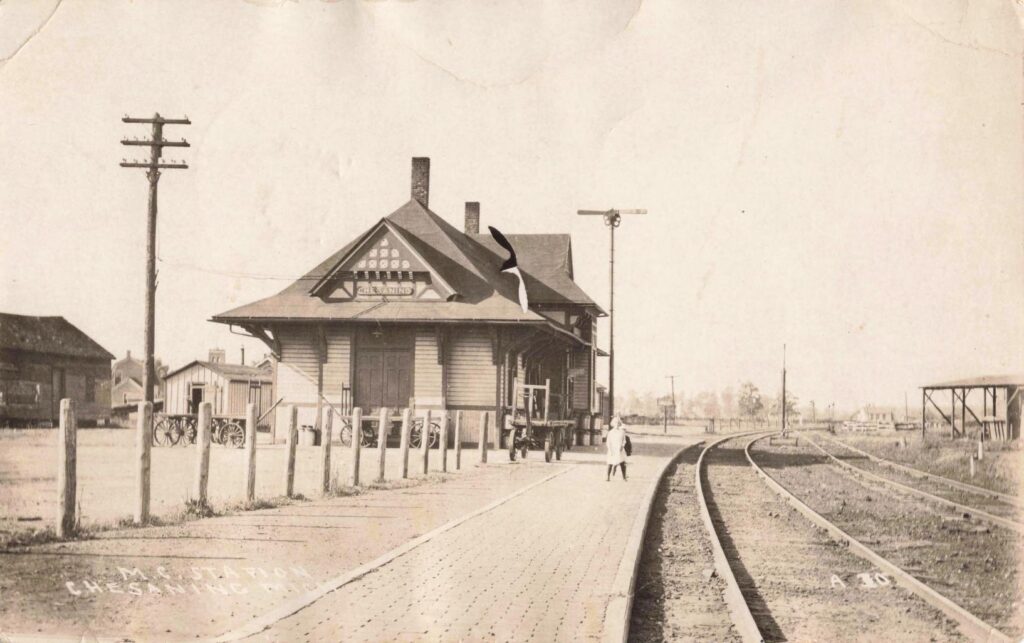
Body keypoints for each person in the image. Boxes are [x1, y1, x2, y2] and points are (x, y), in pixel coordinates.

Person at [606, 416, 628, 481]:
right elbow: (608, 442)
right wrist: (610, 449)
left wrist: (622, 446)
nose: (617, 424)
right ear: (613, 424)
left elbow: (624, 440)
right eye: (616, 423)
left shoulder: (622, 432)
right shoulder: (611, 432)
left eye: (618, 423)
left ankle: (624, 477)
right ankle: (608, 477)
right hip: (612, 449)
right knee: (610, 463)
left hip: (620, 449)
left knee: (622, 463)